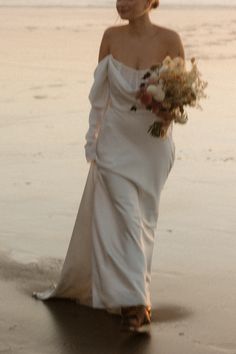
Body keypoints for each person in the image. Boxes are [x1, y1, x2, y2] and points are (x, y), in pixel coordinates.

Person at [32, 0, 185, 333]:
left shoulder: (171, 40)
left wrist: (169, 110)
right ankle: (135, 302)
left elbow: (179, 96)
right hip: (115, 141)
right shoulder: (110, 37)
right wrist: (93, 138)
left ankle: (131, 292)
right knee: (127, 215)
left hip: (152, 146)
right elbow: (99, 94)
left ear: (151, 1)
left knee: (143, 222)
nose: (123, 3)